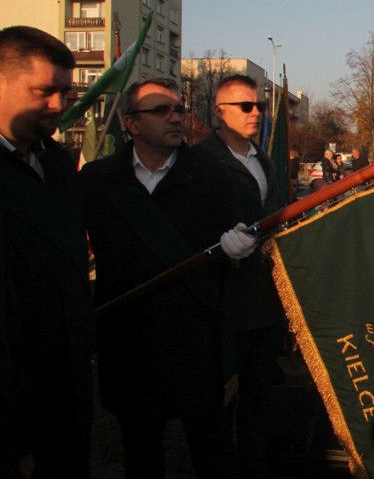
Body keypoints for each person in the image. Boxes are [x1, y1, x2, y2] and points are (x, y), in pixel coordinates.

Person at [80, 77, 257, 479]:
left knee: (212, 452)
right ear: (131, 123)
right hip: (129, 343)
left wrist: (240, 244)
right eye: (160, 110)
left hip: (196, 342)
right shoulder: (97, 180)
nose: (175, 117)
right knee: (141, 455)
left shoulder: (213, 176)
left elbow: (243, 230)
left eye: (178, 109)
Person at [0, 26, 94, 478]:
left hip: (67, 394)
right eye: (44, 91)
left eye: (65, 92)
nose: (59, 105)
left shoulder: (57, 163)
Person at [196, 74, 286, 479]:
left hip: (264, 304)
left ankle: (255, 466)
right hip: (222, 304)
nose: (256, 114)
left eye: (259, 106)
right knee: (218, 407)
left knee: (260, 401)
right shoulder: (198, 161)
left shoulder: (264, 159)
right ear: (219, 112)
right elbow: (187, 228)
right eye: (245, 106)